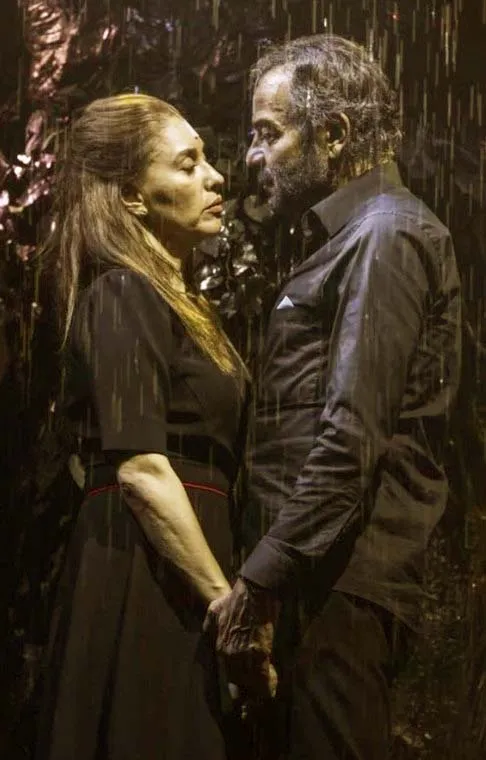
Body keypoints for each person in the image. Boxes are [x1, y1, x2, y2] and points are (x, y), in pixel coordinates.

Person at [206, 34, 462, 759]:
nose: (252, 157)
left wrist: (259, 581)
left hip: (337, 586)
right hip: (315, 581)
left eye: (268, 134)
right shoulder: (353, 237)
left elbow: (350, 437)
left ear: (336, 134)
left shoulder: (384, 237)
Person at [34, 93, 250, 760]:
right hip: (143, 570)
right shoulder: (123, 293)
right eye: (187, 165)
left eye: (206, 160)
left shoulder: (187, 306)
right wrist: (228, 609)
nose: (215, 178)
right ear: (132, 196)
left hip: (183, 562)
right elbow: (141, 470)